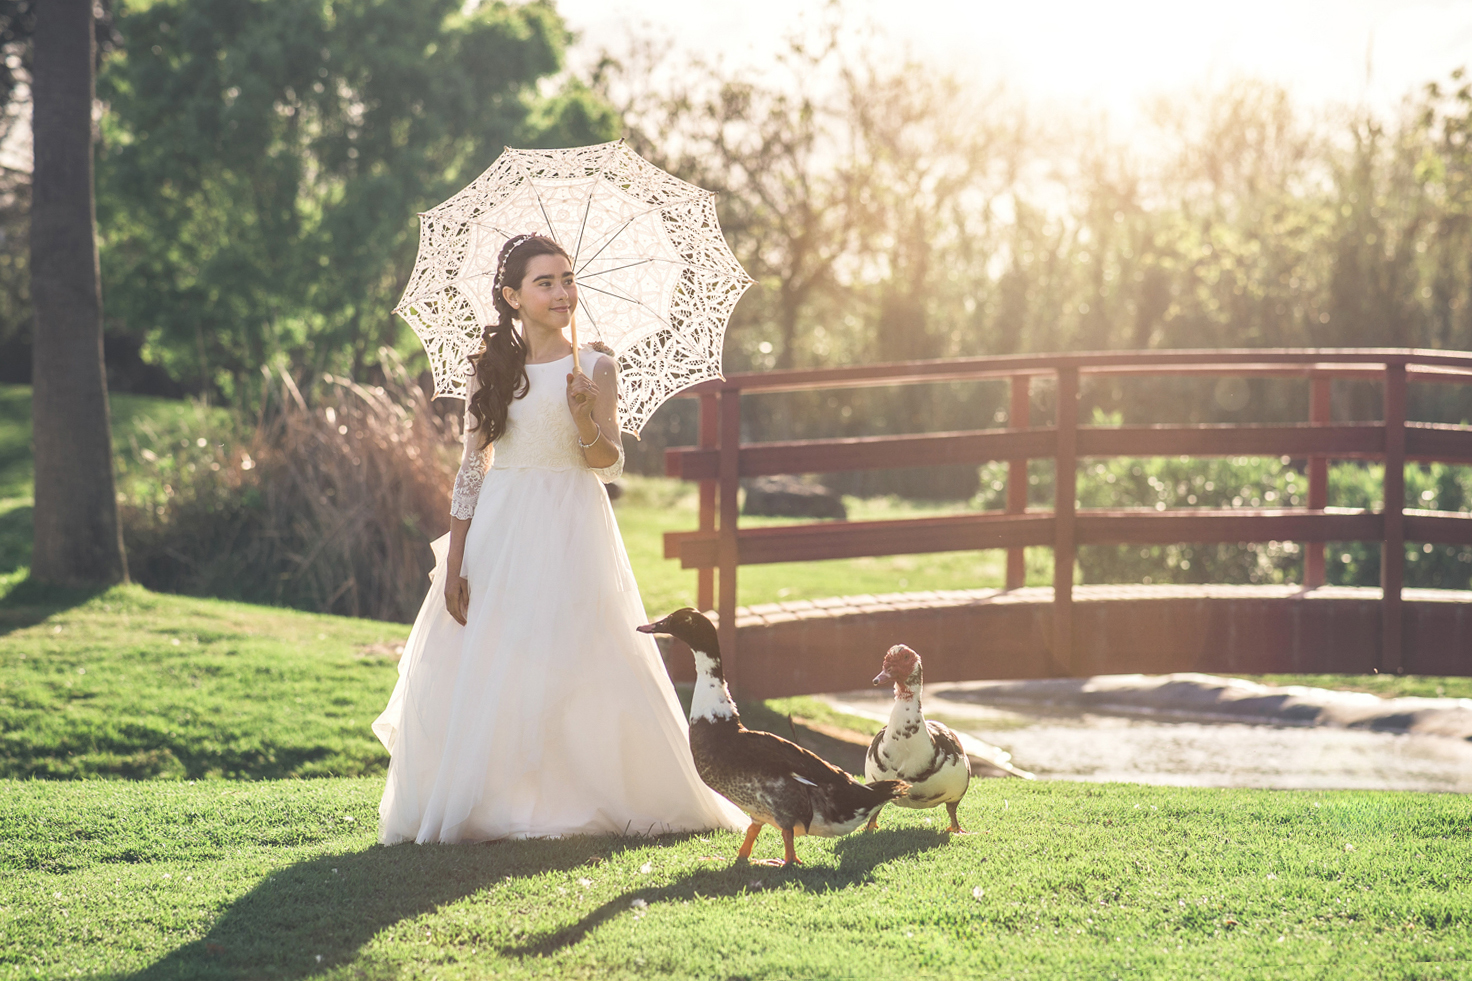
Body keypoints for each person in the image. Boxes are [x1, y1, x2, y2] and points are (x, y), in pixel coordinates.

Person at [373, 233, 745, 844]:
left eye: (568, 280)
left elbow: (608, 463)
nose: (562, 293)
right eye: (545, 282)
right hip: (502, 524)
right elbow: (473, 466)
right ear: (511, 297)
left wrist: (582, 417)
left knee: (577, 652)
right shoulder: (489, 372)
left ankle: (571, 797)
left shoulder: (596, 366)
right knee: (495, 656)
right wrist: (457, 558)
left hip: (573, 521)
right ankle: (493, 800)